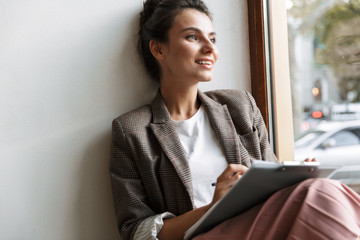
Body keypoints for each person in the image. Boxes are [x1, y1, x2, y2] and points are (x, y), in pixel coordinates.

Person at [110, 0, 360, 239]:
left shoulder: (239, 105)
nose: (210, 48)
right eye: (193, 37)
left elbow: (273, 184)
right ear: (158, 48)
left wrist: (296, 175)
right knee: (321, 193)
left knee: (320, 190)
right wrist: (214, 207)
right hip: (204, 235)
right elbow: (136, 231)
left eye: (213, 38)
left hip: (261, 226)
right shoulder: (132, 130)